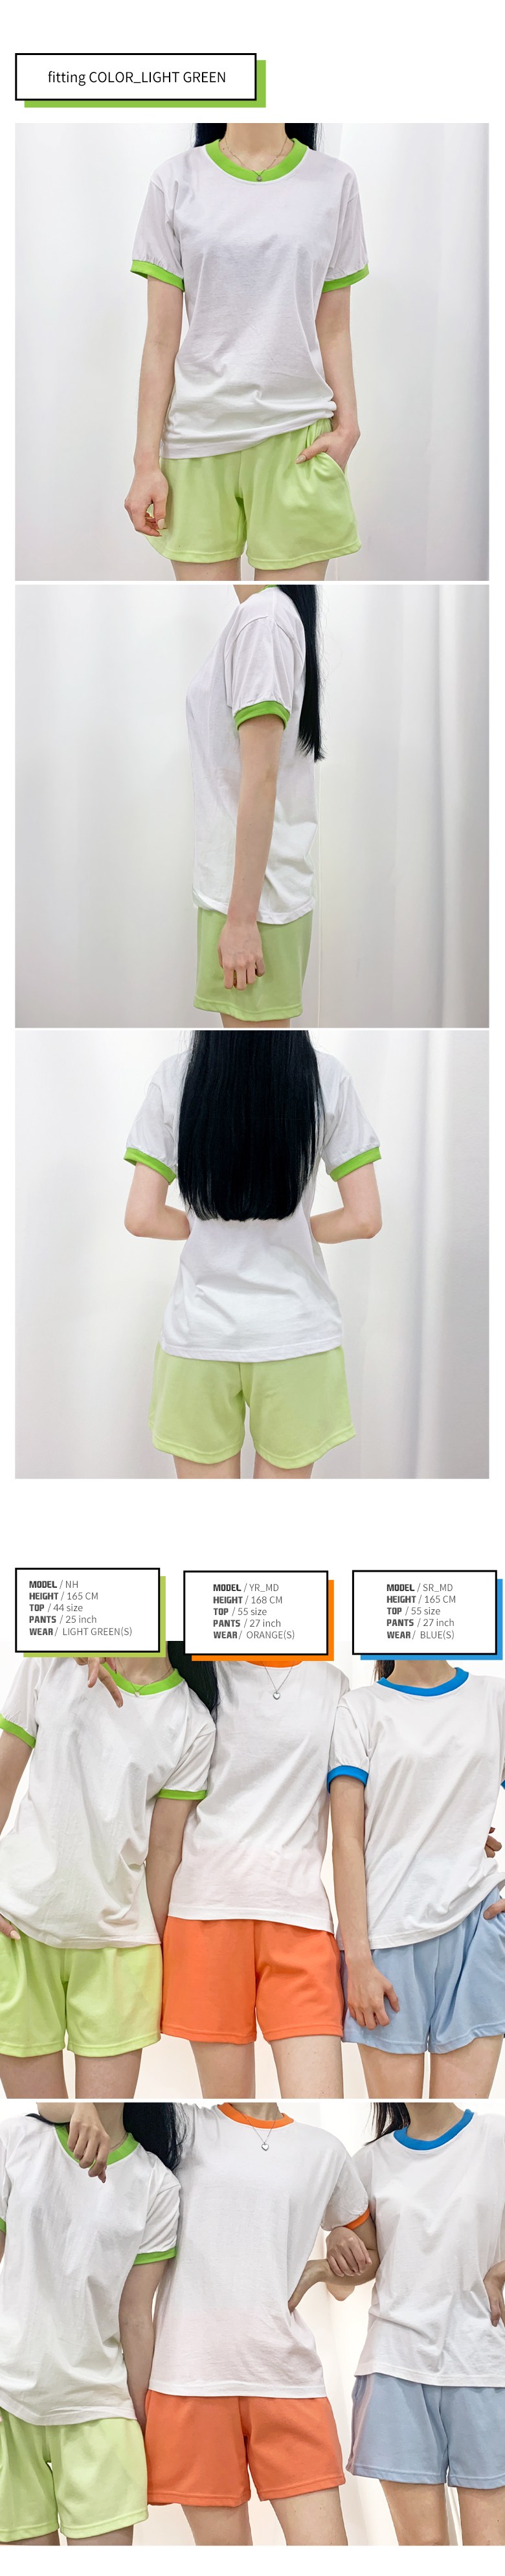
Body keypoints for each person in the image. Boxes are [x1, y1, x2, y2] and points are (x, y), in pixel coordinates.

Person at [124, 1030, 381, 1479]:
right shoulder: (327, 1076)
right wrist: (298, 1230)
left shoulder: (173, 1077)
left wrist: (202, 1225)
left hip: (199, 1336)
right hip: (296, 1334)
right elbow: (364, 1218)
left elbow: (142, 1217)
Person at [125, 122, 368, 581]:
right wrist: (145, 463)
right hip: (197, 441)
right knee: (209, 611)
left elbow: (334, 328)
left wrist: (348, 426)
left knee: (284, 606)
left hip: (299, 439)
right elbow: (160, 339)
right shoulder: (174, 181)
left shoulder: (335, 182)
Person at [144, 2097, 377, 2546]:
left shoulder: (324, 2150)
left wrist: (321, 2265)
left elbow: (367, 2257)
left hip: (286, 2376)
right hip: (191, 2379)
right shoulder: (181, 2123)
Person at [0, 1647, 216, 2096]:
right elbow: (2, 1782)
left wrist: (160, 1952)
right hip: (17, 1932)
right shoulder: (51, 1661)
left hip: (120, 1950)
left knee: (103, 2127)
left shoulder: (193, 1722)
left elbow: (165, 1852)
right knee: (47, 2124)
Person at [163, 1655, 350, 2098]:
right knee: (233, 2113)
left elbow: (359, 1797)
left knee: (321, 2102)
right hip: (205, 1913)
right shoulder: (196, 1672)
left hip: (301, 1916)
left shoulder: (333, 1685)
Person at [0, 2096, 183, 2547]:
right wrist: (77, 2106)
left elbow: (136, 2316)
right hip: (7, 2405)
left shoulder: (156, 2183)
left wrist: (145, 2419)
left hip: (99, 2409)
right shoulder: (17, 2139)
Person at [331, 1656, 505, 2097]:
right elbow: (346, 1841)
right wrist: (359, 1960)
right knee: (403, 2117)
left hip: (480, 1928)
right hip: (387, 1938)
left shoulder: (495, 1698)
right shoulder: (360, 1708)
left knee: (456, 2113)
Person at [348, 2097, 505, 2547]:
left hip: (483, 2365)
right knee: (422, 2550)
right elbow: (351, 2278)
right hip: (394, 2365)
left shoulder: (496, 2137)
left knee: (491, 2549)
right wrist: (333, 2251)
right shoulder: (369, 2162)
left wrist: (500, 2272)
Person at [187, 584, 322, 1025]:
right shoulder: (267, 616)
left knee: (254, 1052)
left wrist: (243, 922)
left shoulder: (264, 620)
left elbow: (261, 778)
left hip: (253, 903)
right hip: (246, 893)